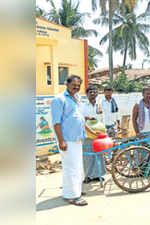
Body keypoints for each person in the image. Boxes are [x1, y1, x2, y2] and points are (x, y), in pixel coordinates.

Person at [50, 75, 99, 206]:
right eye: (74, 85)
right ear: (66, 83)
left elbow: (80, 118)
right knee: (71, 167)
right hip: (67, 139)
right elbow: (56, 122)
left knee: (77, 167)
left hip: (78, 138)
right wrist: (61, 141)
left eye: (79, 85)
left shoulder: (77, 98)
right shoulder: (59, 99)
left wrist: (92, 132)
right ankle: (72, 196)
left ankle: (74, 191)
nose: (76, 87)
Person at [81, 85, 106, 184]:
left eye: (94, 91)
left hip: (99, 135)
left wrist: (104, 132)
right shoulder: (83, 106)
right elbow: (80, 119)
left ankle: (98, 175)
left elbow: (102, 119)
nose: (92, 93)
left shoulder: (100, 105)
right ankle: (88, 176)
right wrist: (87, 118)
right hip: (87, 134)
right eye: (90, 92)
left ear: (97, 93)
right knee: (87, 156)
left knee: (99, 155)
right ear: (86, 94)